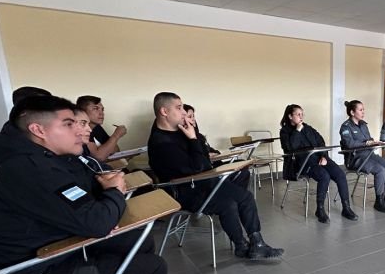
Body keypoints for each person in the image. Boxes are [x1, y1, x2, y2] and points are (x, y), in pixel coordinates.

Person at [0, 95, 173, 274]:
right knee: (154, 268)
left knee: (140, 241)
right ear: (38, 130)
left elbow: (84, 200)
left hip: (52, 246)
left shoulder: (39, 158)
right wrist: (114, 193)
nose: (80, 130)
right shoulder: (32, 169)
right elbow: (98, 222)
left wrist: (104, 200)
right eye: (69, 124)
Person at [147, 92, 283, 260]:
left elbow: (204, 159)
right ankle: (241, 246)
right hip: (184, 192)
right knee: (228, 204)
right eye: (179, 107)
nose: (183, 112)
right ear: (164, 112)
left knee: (245, 197)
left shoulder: (180, 131)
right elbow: (199, 166)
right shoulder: (160, 142)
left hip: (203, 182)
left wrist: (193, 136)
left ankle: (257, 244)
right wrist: (192, 139)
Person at [279, 104, 359, 223]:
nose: (301, 117)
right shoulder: (284, 131)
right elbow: (291, 148)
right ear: (290, 116)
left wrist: (323, 156)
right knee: (324, 176)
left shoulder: (308, 128)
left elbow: (320, 141)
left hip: (318, 157)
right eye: (298, 114)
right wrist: (297, 130)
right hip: (301, 162)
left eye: (302, 114)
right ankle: (320, 209)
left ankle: (346, 208)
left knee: (340, 174)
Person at [339, 99, 385, 213]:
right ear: (352, 112)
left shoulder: (363, 125)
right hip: (355, 158)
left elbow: (368, 139)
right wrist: (366, 143)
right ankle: (379, 201)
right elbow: (349, 144)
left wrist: (373, 142)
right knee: (380, 170)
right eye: (361, 110)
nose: (363, 112)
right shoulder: (346, 127)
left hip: (369, 154)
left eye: (364, 110)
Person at [185, 103, 250, 190]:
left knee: (242, 164)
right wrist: (207, 155)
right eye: (190, 117)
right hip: (208, 170)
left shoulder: (199, 136)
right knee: (239, 172)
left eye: (193, 116)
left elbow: (211, 150)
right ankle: (232, 193)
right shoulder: (189, 138)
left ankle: (235, 193)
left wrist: (214, 153)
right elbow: (197, 157)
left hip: (215, 165)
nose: (193, 119)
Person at [77, 95, 126, 162]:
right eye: (95, 109)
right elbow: (98, 157)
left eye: (102, 109)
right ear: (82, 112)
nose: (101, 113)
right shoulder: (81, 130)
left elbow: (116, 150)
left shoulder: (97, 127)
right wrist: (116, 135)